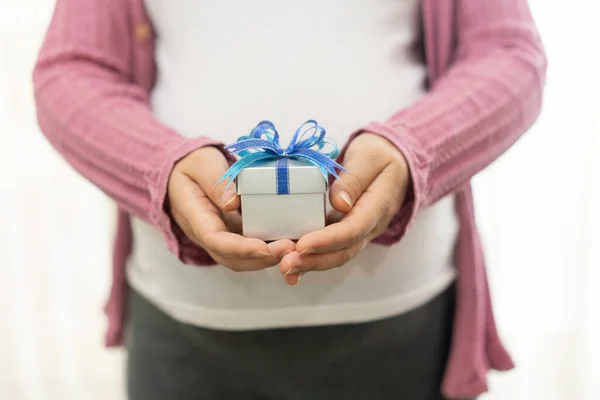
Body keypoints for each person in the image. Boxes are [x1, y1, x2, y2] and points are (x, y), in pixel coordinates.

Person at [33, 0, 546, 399]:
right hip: (183, 325)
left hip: (404, 324)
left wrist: (413, 150)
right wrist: (160, 168)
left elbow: (507, 54)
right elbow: (71, 72)